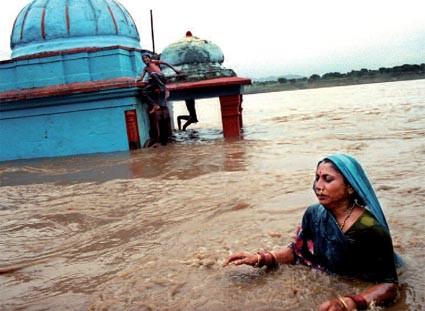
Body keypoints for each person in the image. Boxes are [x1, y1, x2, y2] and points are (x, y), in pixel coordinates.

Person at [222, 154, 402, 311]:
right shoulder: (314, 214)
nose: (318, 186)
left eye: (327, 179)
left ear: (350, 187)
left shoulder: (369, 229)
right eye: (317, 178)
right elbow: (298, 252)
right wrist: (261, 258)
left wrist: (350, 303)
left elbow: (389, 286)